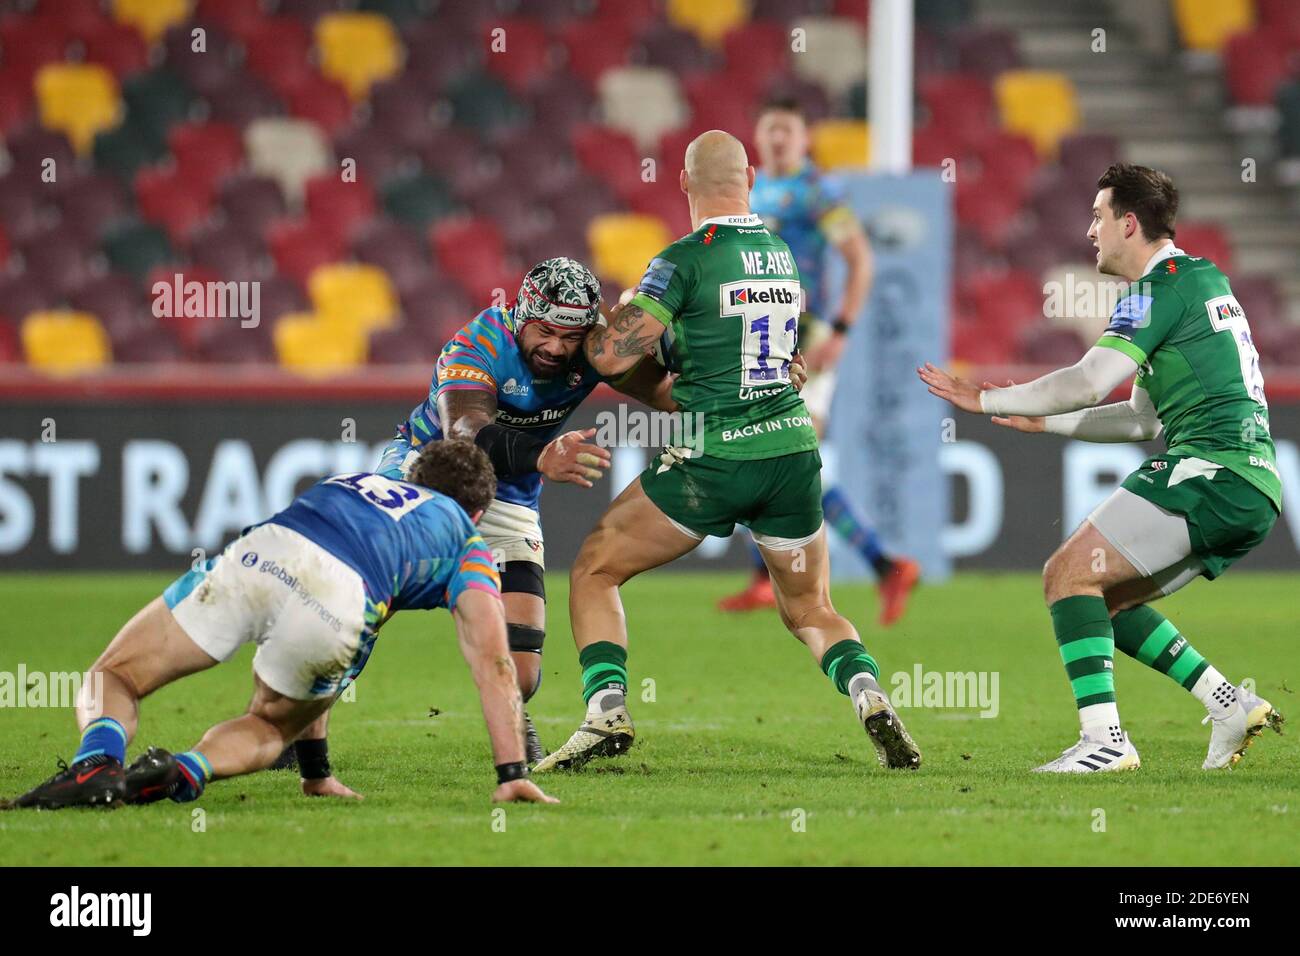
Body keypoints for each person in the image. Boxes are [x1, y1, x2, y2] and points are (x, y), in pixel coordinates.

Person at [535, 130, 921, 774]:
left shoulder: (682, 260)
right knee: (812, 609)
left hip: (712, 456)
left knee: (595, 569)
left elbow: (610, 357)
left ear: (683, 183)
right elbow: (779, 360)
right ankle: (869, 694)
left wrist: (616, 316)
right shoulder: (781, 255)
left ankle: (605, 711)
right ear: (748, 176)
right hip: (793, 452)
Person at [919, 163, 1284, 772]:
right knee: (1101, 598)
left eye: (1098, 217)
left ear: (1129, 223)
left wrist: (985, 398)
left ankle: (1105, 742)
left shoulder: (1158, 290)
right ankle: (1226, 704)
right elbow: (1142, 420)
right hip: (1249, 485)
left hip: (1210, 469)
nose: (1090, 231)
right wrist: (1048, 422)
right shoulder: (1198, 279)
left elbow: (1089, 381)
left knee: (1065, 575)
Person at [8, 440, 557, 808]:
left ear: (412, 476)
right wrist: (512, 774)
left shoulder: (358, 480)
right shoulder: (466, 540)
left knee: (117, 675)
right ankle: (182, 771)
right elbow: (492, 659)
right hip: (344, 599)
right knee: (270, 726)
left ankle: (96, 762)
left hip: (263, 551)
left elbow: (313, 556)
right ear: (479, 511)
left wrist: (317, 771)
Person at [717, 97, 921, 625]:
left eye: (787, 128)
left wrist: (843, 331)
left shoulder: (819, 192)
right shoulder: (750, 192)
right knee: (760, 451)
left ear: (804, 138)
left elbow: (860, 260)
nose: (778, 138)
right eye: (769, 128)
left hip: (805, 335)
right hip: (756, 334)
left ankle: (869, 566)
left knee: (795, 452)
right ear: (757, 139)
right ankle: (878, 566)